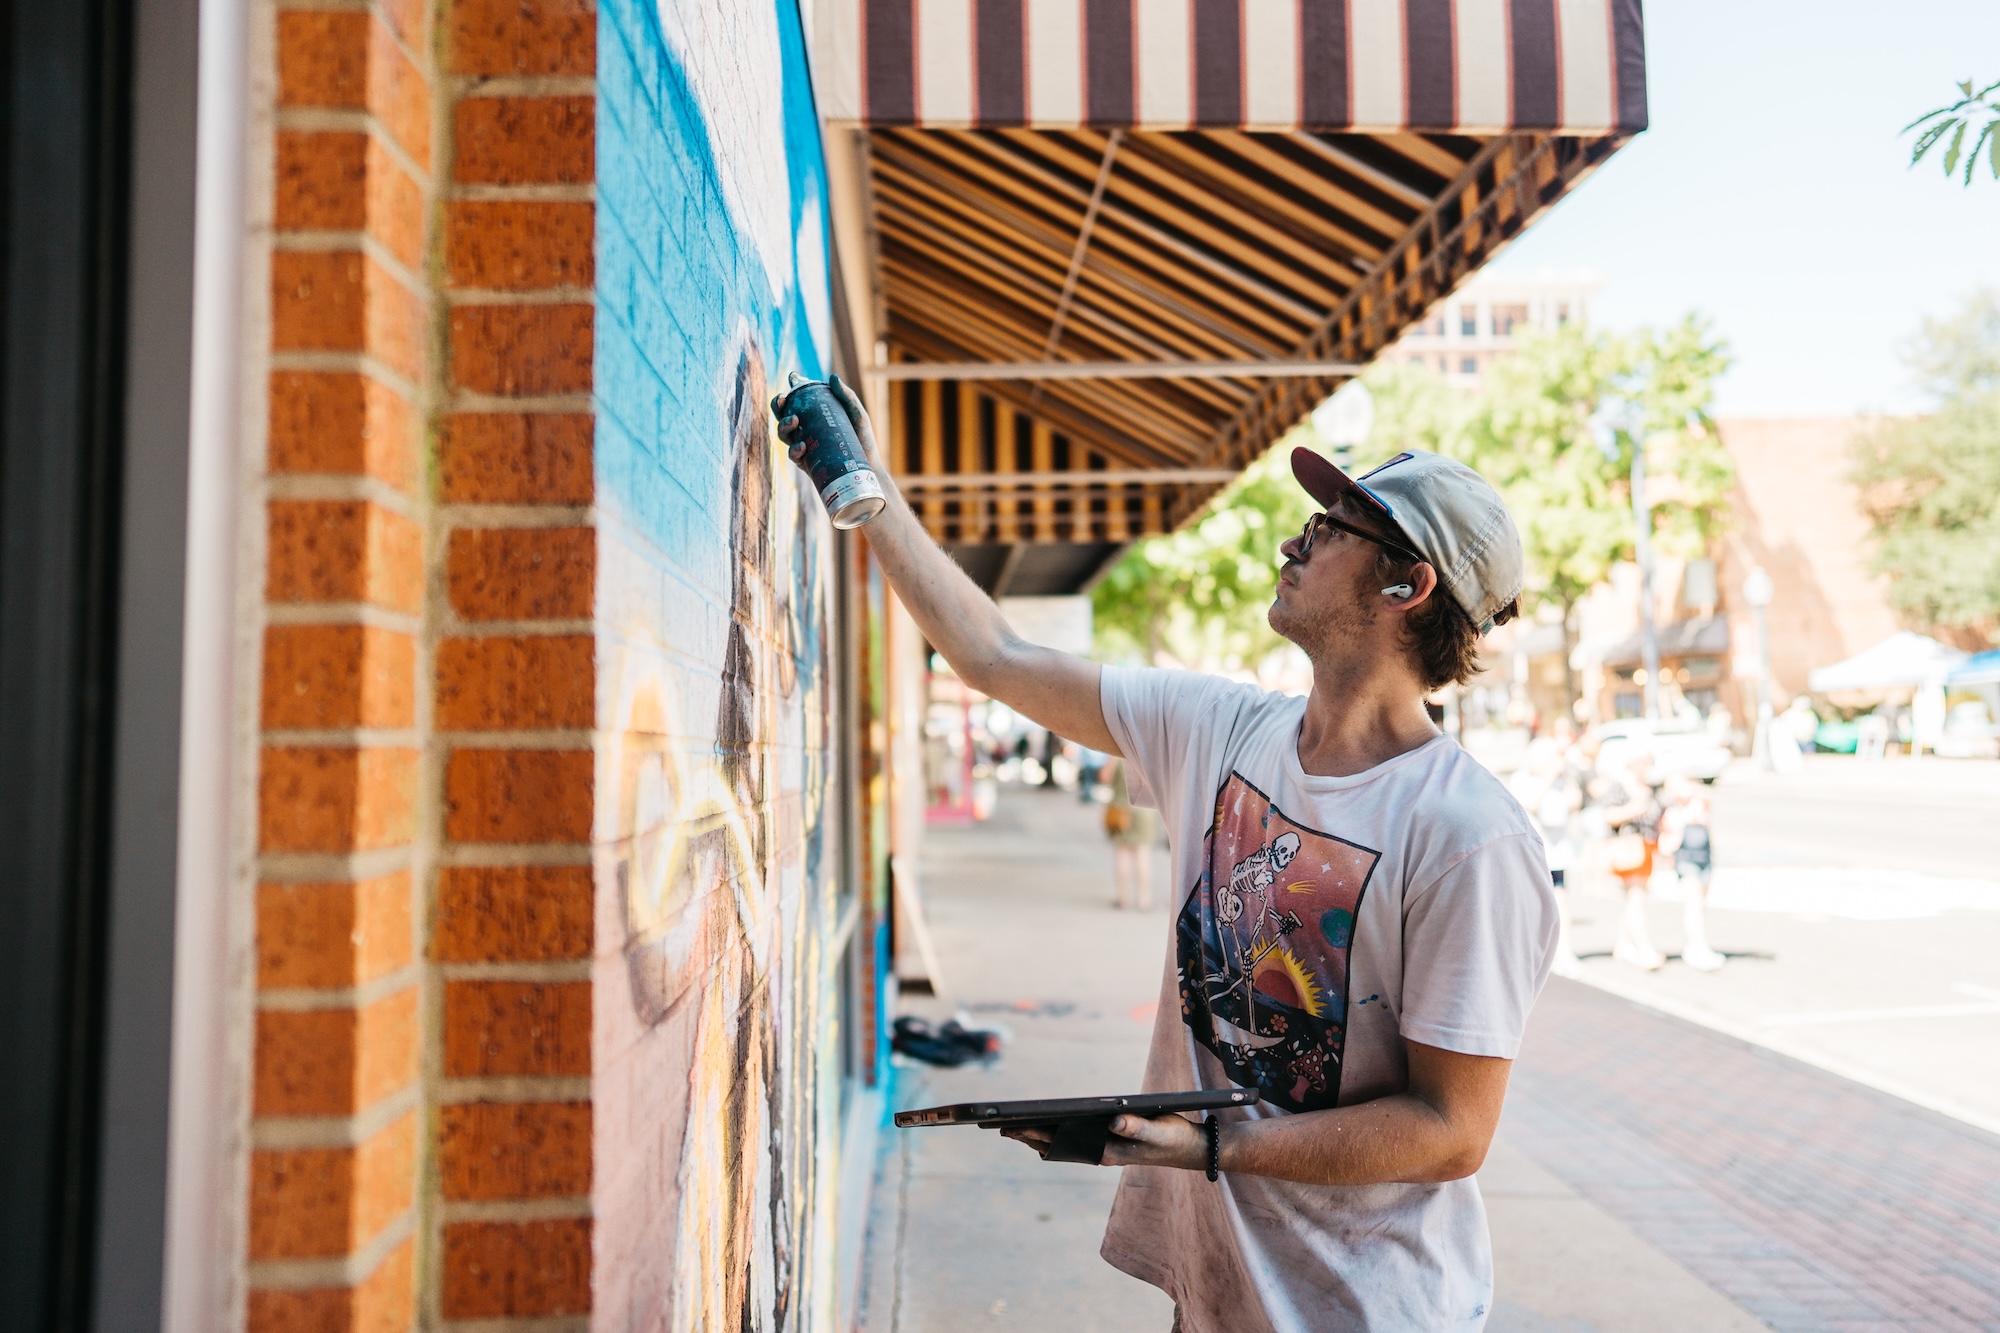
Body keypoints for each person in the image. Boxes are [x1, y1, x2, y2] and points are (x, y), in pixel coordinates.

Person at [779, 381, 1557, 1332]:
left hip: (1366, 1309)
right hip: (1218, 1287)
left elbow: (1451, 1130)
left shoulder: (1468, 836)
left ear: (1408, 584)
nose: (1293, 541)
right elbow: (994, 654)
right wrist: (869, 491)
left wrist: (1208, 1146)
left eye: (1332, 526)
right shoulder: (1222, 728)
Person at [1596, 752, 1666, 971]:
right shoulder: (1620, 787)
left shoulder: (1653, 789)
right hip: (1627, 848)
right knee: (1637, 899)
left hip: (1647, 847)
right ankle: (1645, 949)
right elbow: (1608, 816)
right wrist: (1634, 809)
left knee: (1634, 899)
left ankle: (1624, 944)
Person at [1657, 775, 1724, 971]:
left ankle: (1697, 944)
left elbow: (1709, 797)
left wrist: (1694, 791)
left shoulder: (1700, 804)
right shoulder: (1673, 811)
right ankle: (1697, 946)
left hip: (1704, 858)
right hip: (1686, 859)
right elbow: (1668, 837)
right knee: (1693, 904)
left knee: (1701, 904)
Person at [1104, 757, 1159, 910]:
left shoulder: (1115, 754)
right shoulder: (1147, 754)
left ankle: (1123, 897)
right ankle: (1144, 899)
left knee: (1122, 852)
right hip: (1145, 809)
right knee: (1143, 852)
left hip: (1122, 807)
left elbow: (1105, 777)